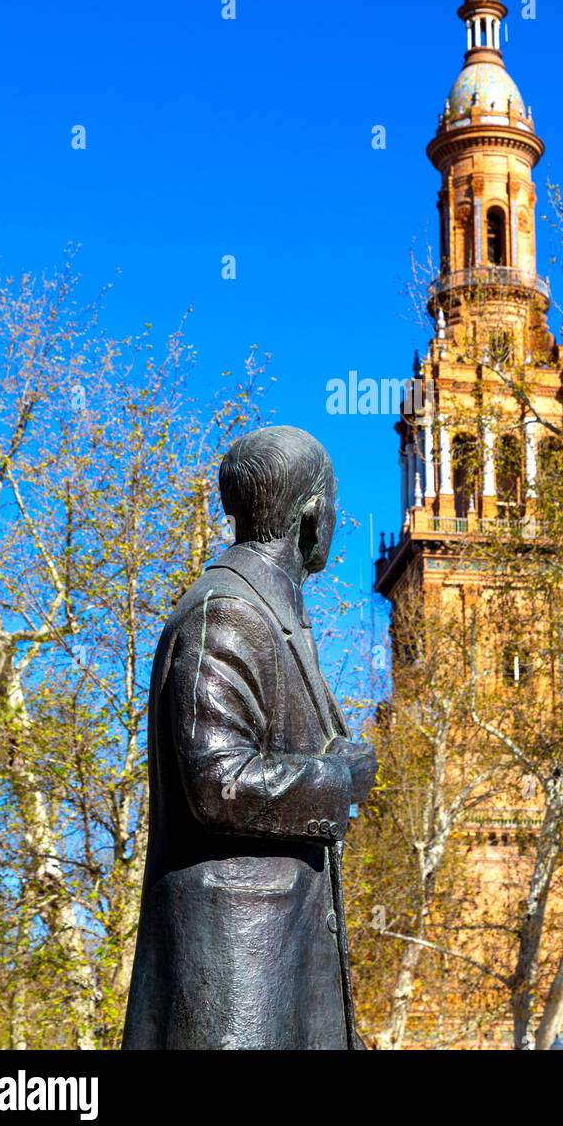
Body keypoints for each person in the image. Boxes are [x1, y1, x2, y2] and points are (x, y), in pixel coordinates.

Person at [122, 425, 378, 1049]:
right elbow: (218, 783)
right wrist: (340, 778)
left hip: (277, 969)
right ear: (313, 517)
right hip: (236, 977)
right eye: (335, 504)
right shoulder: (227, 610)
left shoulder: (275, 614)